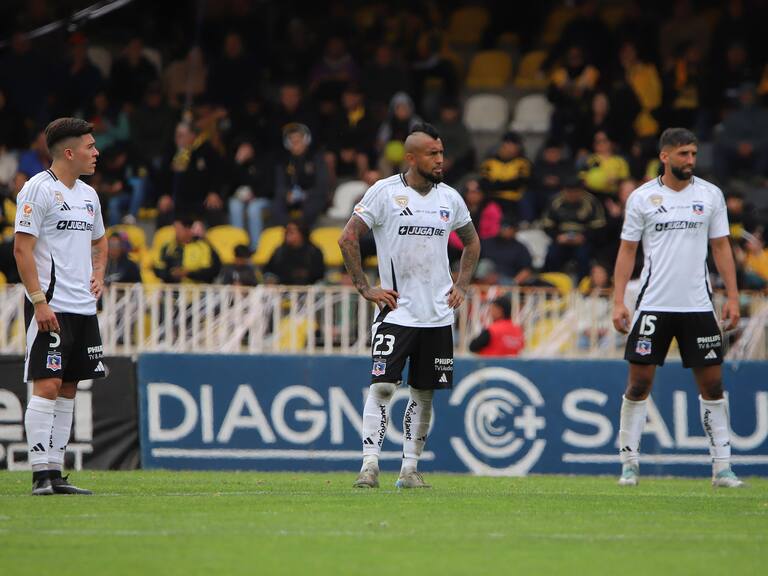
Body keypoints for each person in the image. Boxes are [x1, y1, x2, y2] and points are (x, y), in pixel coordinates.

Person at [338, 123, 480, 489]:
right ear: (411, 157)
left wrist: (462, 285)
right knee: (383, 387)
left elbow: (472, 242)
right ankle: (369, 466)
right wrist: (365, 288)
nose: (440, 160)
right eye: (433, 153)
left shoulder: (450, 197)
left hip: (437, 315)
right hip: (396, 312)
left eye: (442, 153)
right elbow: (348, 236)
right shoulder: (384, 193)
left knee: (424, 392)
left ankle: (409, 470)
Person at [612, 127, 743, 488]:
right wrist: (618, 300)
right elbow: (627, 250)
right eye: (684, 154)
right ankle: (629, 464)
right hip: (653, 306)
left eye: (694, 154)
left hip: (698, 307)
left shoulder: (710, 195)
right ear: (665, 156)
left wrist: (731, 297)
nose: (691, 161)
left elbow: (721, 248)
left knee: (713, 384)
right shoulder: (642, 198)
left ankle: (722, 468)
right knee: (638, 385)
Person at [13, 118, 107, 495]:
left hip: (83, 308)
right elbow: (22, 249)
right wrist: (38, 302)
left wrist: (99, 273)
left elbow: (101, 241)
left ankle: (56, 472)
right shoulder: (36, 189)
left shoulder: (88, 195)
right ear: (69, 152)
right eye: (90, 146)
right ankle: (39, 475)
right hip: (50, 305)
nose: (96, 152)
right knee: (48, 385)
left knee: (69, 387)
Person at [154, 215, 221, 284]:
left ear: (188, 229)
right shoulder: (167, 247)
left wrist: (188, 273)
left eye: (178, 229)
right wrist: (171, 274)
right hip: (174, 292)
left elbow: (212, 271)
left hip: (199, 291)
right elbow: (159, 270)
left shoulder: (204, 247)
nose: (175, 232)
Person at [263, 219, 325, 285]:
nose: (288, 235)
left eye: (291, 232)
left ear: (302, 234)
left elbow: (319, 274)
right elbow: (269, 271)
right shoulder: (279, 252)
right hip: (283, 289)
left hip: (309, 289)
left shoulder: (314, 252)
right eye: (286, 232)